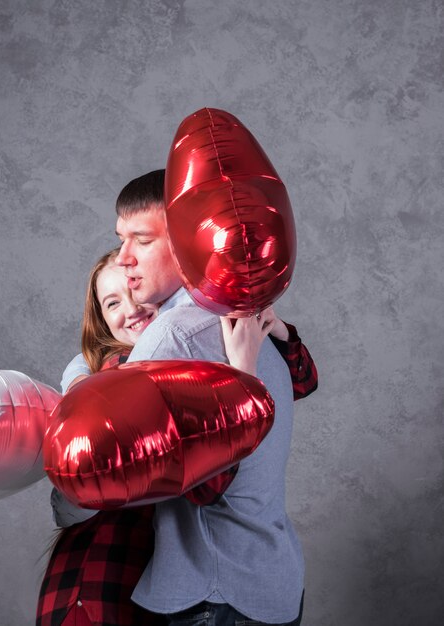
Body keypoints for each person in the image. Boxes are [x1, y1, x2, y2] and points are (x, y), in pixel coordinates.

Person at [58, 169, 317, 625]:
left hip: (214, 591)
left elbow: (205, 485)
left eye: (141, 240)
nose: (125, 259)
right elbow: (304, 380)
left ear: (186, 242)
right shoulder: (242, 316)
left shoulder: (173, 336)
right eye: (121, 239)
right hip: (271, 578)